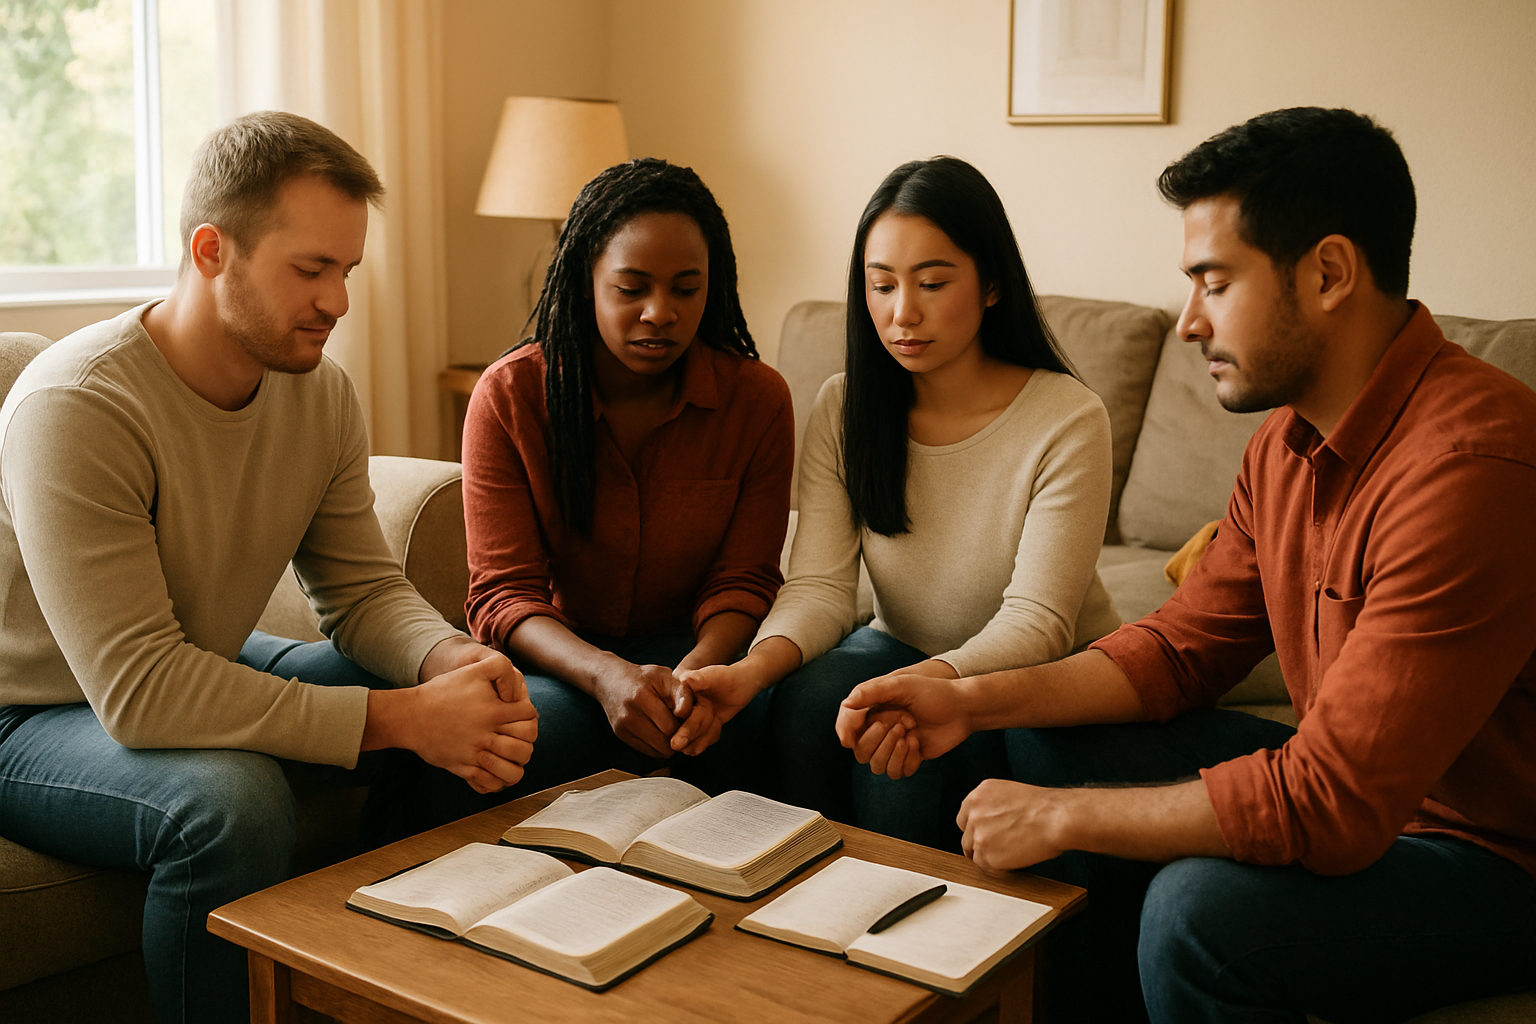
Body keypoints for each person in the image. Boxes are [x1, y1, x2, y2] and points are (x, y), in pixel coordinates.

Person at [836, 108, 1536, 1023]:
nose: (1189, 323)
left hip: (1495, 854)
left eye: (1215, 281)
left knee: (1196, 915)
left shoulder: (1473, 468)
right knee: (1050, 739)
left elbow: (1331, 800)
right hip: (1372, 793)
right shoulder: (1283, 445)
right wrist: (967, 699)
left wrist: (1061, 815)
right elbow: (1177, 651)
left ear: (1329, 272)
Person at [0, 111, 538, 1024]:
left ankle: (384, 988)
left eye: (348, 270)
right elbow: (142, 692)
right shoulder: (76, 404)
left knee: (498, 704)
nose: (339, 301)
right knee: (232, 802)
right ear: (213, 251)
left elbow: (361, 592)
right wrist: (406, 719)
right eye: (311, 269)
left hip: (198, 656)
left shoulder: (320, 392)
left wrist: (447, 660)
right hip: (32, 712)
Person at [678, 157, 1120, 847]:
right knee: (797, 701)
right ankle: (789, 886)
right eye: (881, 285)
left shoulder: (1067, 418)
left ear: (992, 283)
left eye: (933, 283)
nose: (902, 313)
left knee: (898, 749)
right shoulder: (845, 406)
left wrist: (920, 685)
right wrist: (746, 673)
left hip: (1036, 674)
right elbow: (820, 587)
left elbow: (1039, 624)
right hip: (900, 645)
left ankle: (903, 905)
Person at [461, 157, 793, 797]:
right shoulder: (510, 397)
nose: (659, 313)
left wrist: (696, 676)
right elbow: (504, 594)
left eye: (686, 289)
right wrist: (605, 675)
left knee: (763, 722)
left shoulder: (757, 401)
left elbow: (745, 577)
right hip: (562, 660)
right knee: (530, 734)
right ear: (586, 279)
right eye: (631, 288)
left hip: (701, 654)